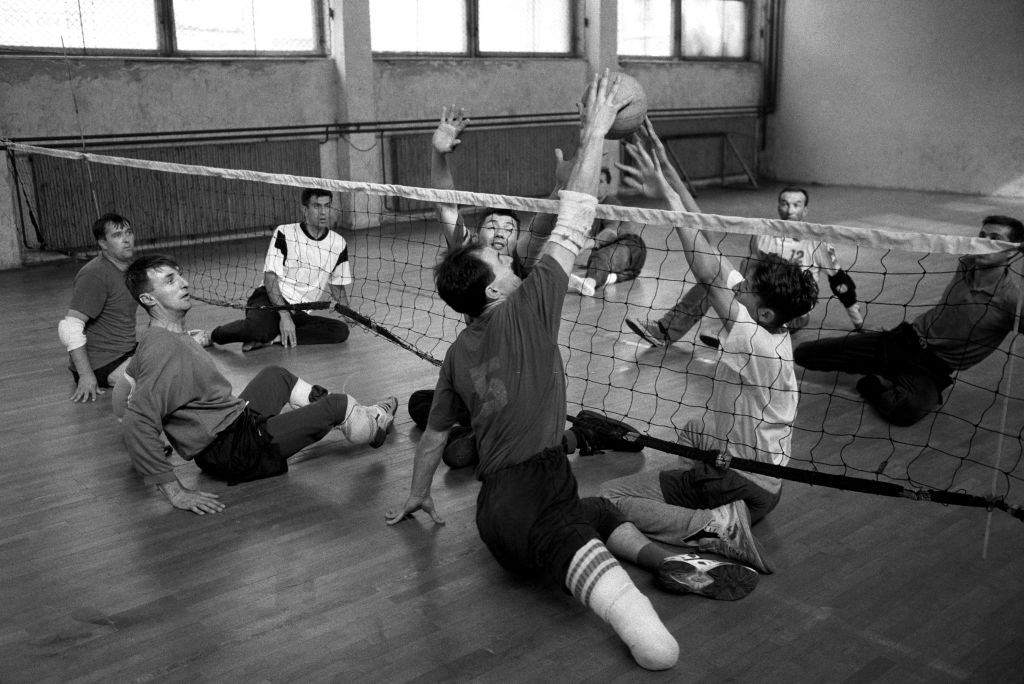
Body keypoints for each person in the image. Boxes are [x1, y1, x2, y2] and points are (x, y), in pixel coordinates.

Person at [386, 73, 762, 673]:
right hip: (534, 498)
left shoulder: (460, 348)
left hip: (498, 516)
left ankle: (660, 556)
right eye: (493, 248)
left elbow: (434, 435)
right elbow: (577, 215)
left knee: (596, 509)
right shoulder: (528, 305)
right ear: (489, 282)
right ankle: (639, 584)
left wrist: (415, 494)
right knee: (657, 647)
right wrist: (594, 130)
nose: (504, 245)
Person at [600, 121, 819, 574]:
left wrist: (664, 194)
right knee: (694, 428)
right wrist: (666, 172)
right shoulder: (768, 326)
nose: (743, 287)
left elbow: (706, 266)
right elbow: (708, 241)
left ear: (763, 311)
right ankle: (721, 499)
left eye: (750, 289)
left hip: (744, 481)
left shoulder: (750, 335)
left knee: (610, 499)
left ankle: (714, 526)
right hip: (767, 478)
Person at [120, 254, 397, 514]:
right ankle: (374, 422)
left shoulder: (157, 336)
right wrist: (175, 491)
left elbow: (128, 382)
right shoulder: (165, 350)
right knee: (340, 404)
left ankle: (342, 415)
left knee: (276, 375)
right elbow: (137, 425)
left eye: (178, 276)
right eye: (169, 281)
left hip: (229, 429)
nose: (184, 283)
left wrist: (127, 406)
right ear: (148, 298)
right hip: (235, 450)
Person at [794, 214, 1024, 426]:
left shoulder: (1011, 301)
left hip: (932, 368)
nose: (983, 243)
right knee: (804, 354)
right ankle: (880, 362)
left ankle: (873, 383)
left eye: (996, 239)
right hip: (902, 340)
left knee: (905, 410)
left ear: (1013, 251)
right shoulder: (966, 264)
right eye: (982, 236)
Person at [626, 186, 862, 346]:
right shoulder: (763, 234)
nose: (789, 210)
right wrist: (737, 289)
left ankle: (740, 341)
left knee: (767, 315)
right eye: (784, 203)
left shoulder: (817, 240)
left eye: (796, 205)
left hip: (791, 310)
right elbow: (748, 268)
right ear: (778, 205)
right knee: (713, 278)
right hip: (760, 297)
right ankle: (665, 330)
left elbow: (841, 283)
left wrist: (857, 321)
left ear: (805, 210)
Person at [207, 188, 351, 351]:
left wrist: (349, 314)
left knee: (340, 331)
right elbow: (270, 279)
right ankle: (212, 335)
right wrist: (284, 315)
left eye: (328, 206)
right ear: (305, 210)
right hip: (270, 299)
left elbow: (337, 285)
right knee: (254, 329)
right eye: (317, 206)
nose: (324, 212)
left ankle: (274, 338)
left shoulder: (338, 243)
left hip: (300, 310)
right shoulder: (284, 232)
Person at [58, 213, 138, 402]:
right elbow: (69, 328)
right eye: (117, 235)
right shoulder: (94, 275)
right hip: (102, 363)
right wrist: (86, 376)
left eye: (128, 232)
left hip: (126, 350)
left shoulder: (128, 268)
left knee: (174, 359)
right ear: (103, 243)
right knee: (161, 380)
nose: (126, 240)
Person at [568, 167, 648, 297]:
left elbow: (611, 232)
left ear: (608, 186)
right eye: (594, 182)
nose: (596, 185)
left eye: (601, 181)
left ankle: (588, 283)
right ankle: (611, 278)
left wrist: (584, 246)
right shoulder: (591, 207)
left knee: (601, 257)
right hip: (630, 263)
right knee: (595, 261)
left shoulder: (611, 203)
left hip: (631, 246)